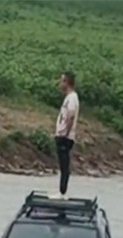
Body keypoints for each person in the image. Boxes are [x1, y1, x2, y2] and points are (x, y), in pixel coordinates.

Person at [53, 71, 81, 199]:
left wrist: (65, 133)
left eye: (62, 81)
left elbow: (71, 116)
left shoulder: (72, 98)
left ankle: (62, 192)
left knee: (64, 165)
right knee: (62, 164)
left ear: (67, 82)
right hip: (62, 134)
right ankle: (61, 191)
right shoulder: (68, 97)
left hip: (65, 136)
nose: (60, 83)